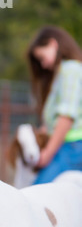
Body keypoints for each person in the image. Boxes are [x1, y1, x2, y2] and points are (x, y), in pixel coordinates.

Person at [27, 25, 82, 184]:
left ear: (53, 44)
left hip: (73, 147)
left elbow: (66, 117)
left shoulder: (69, 69)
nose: (43, 64)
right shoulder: (63, 73)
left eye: (42, 57)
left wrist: (48, 154)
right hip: (69, 146)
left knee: (37, 192)